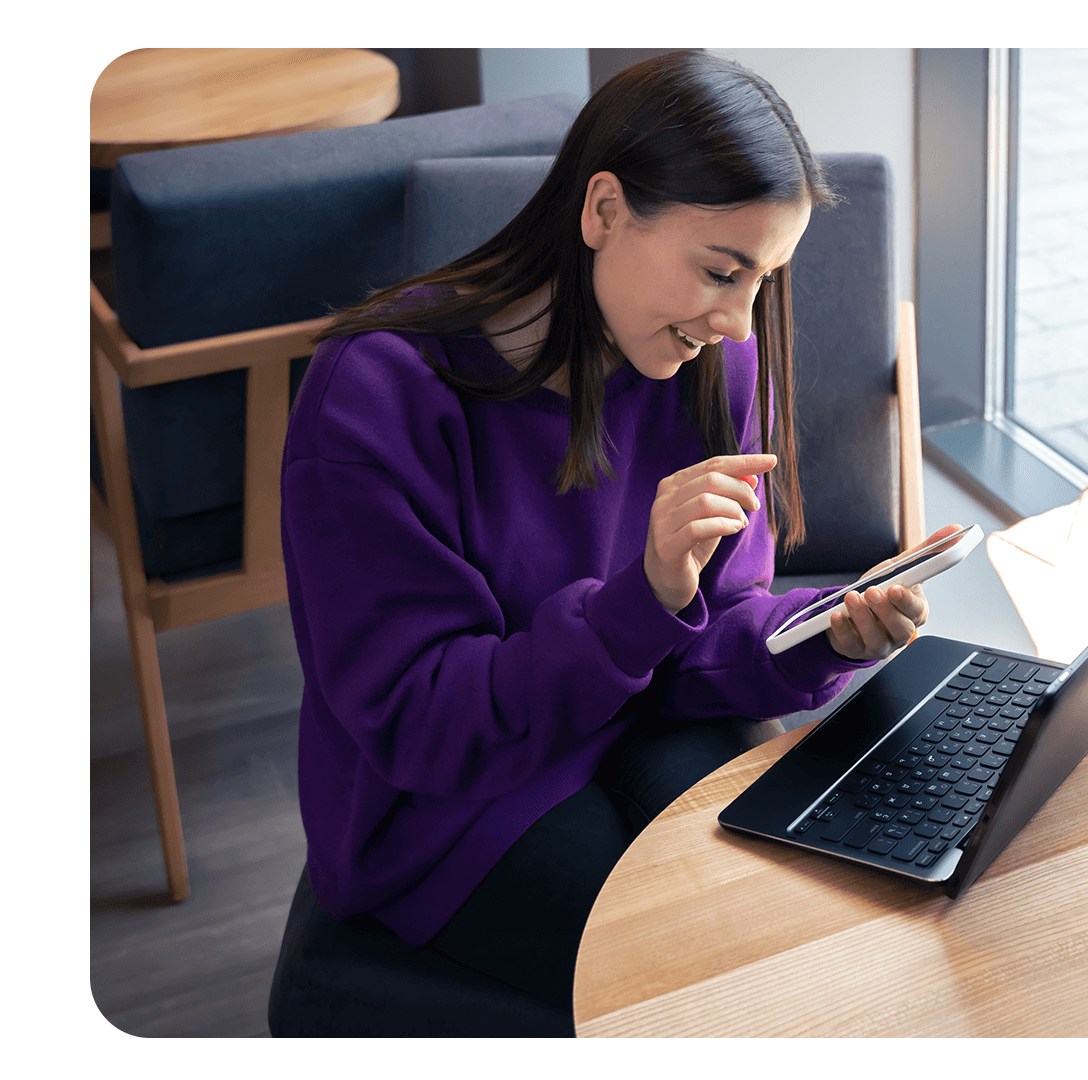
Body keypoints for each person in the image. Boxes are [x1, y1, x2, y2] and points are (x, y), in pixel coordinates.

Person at [282, 50, 956, 1018]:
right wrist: (638, 606)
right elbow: (421, 725)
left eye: (762, 281)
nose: (737, 322)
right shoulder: (377, 395)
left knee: (817, 949)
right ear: (602, 210)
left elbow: (705, 641)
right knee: (716, 994)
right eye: (722, 271)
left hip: (650, 726)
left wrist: (822, 634)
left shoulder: (710, 364)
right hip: (451, 808)